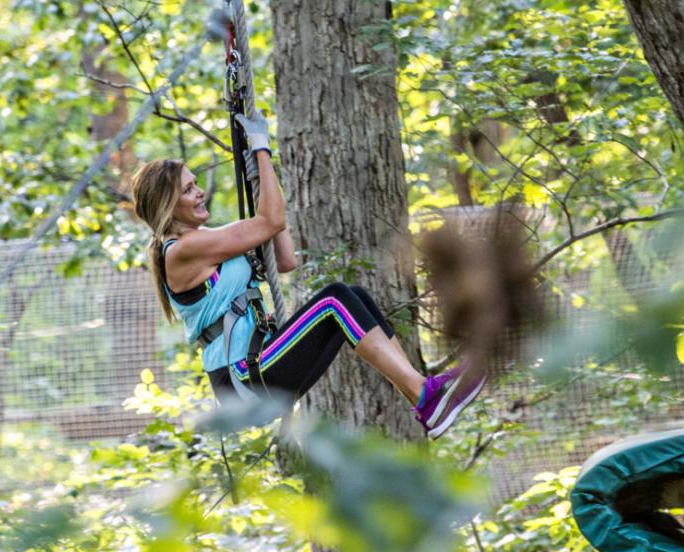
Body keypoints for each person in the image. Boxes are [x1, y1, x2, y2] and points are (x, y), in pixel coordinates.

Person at [130, 111, 483, 438]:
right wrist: (262, 151)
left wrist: (262, 177)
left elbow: (285, 259)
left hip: (259, 366)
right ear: (167, 205)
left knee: (353, 296)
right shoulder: (181, 251)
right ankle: (425, 395)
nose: (200, 192)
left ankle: (424, 396)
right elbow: (270, 221)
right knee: (335, 300)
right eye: (188, 189)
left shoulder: (207, 241)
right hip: (244, 380)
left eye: (196, 184)